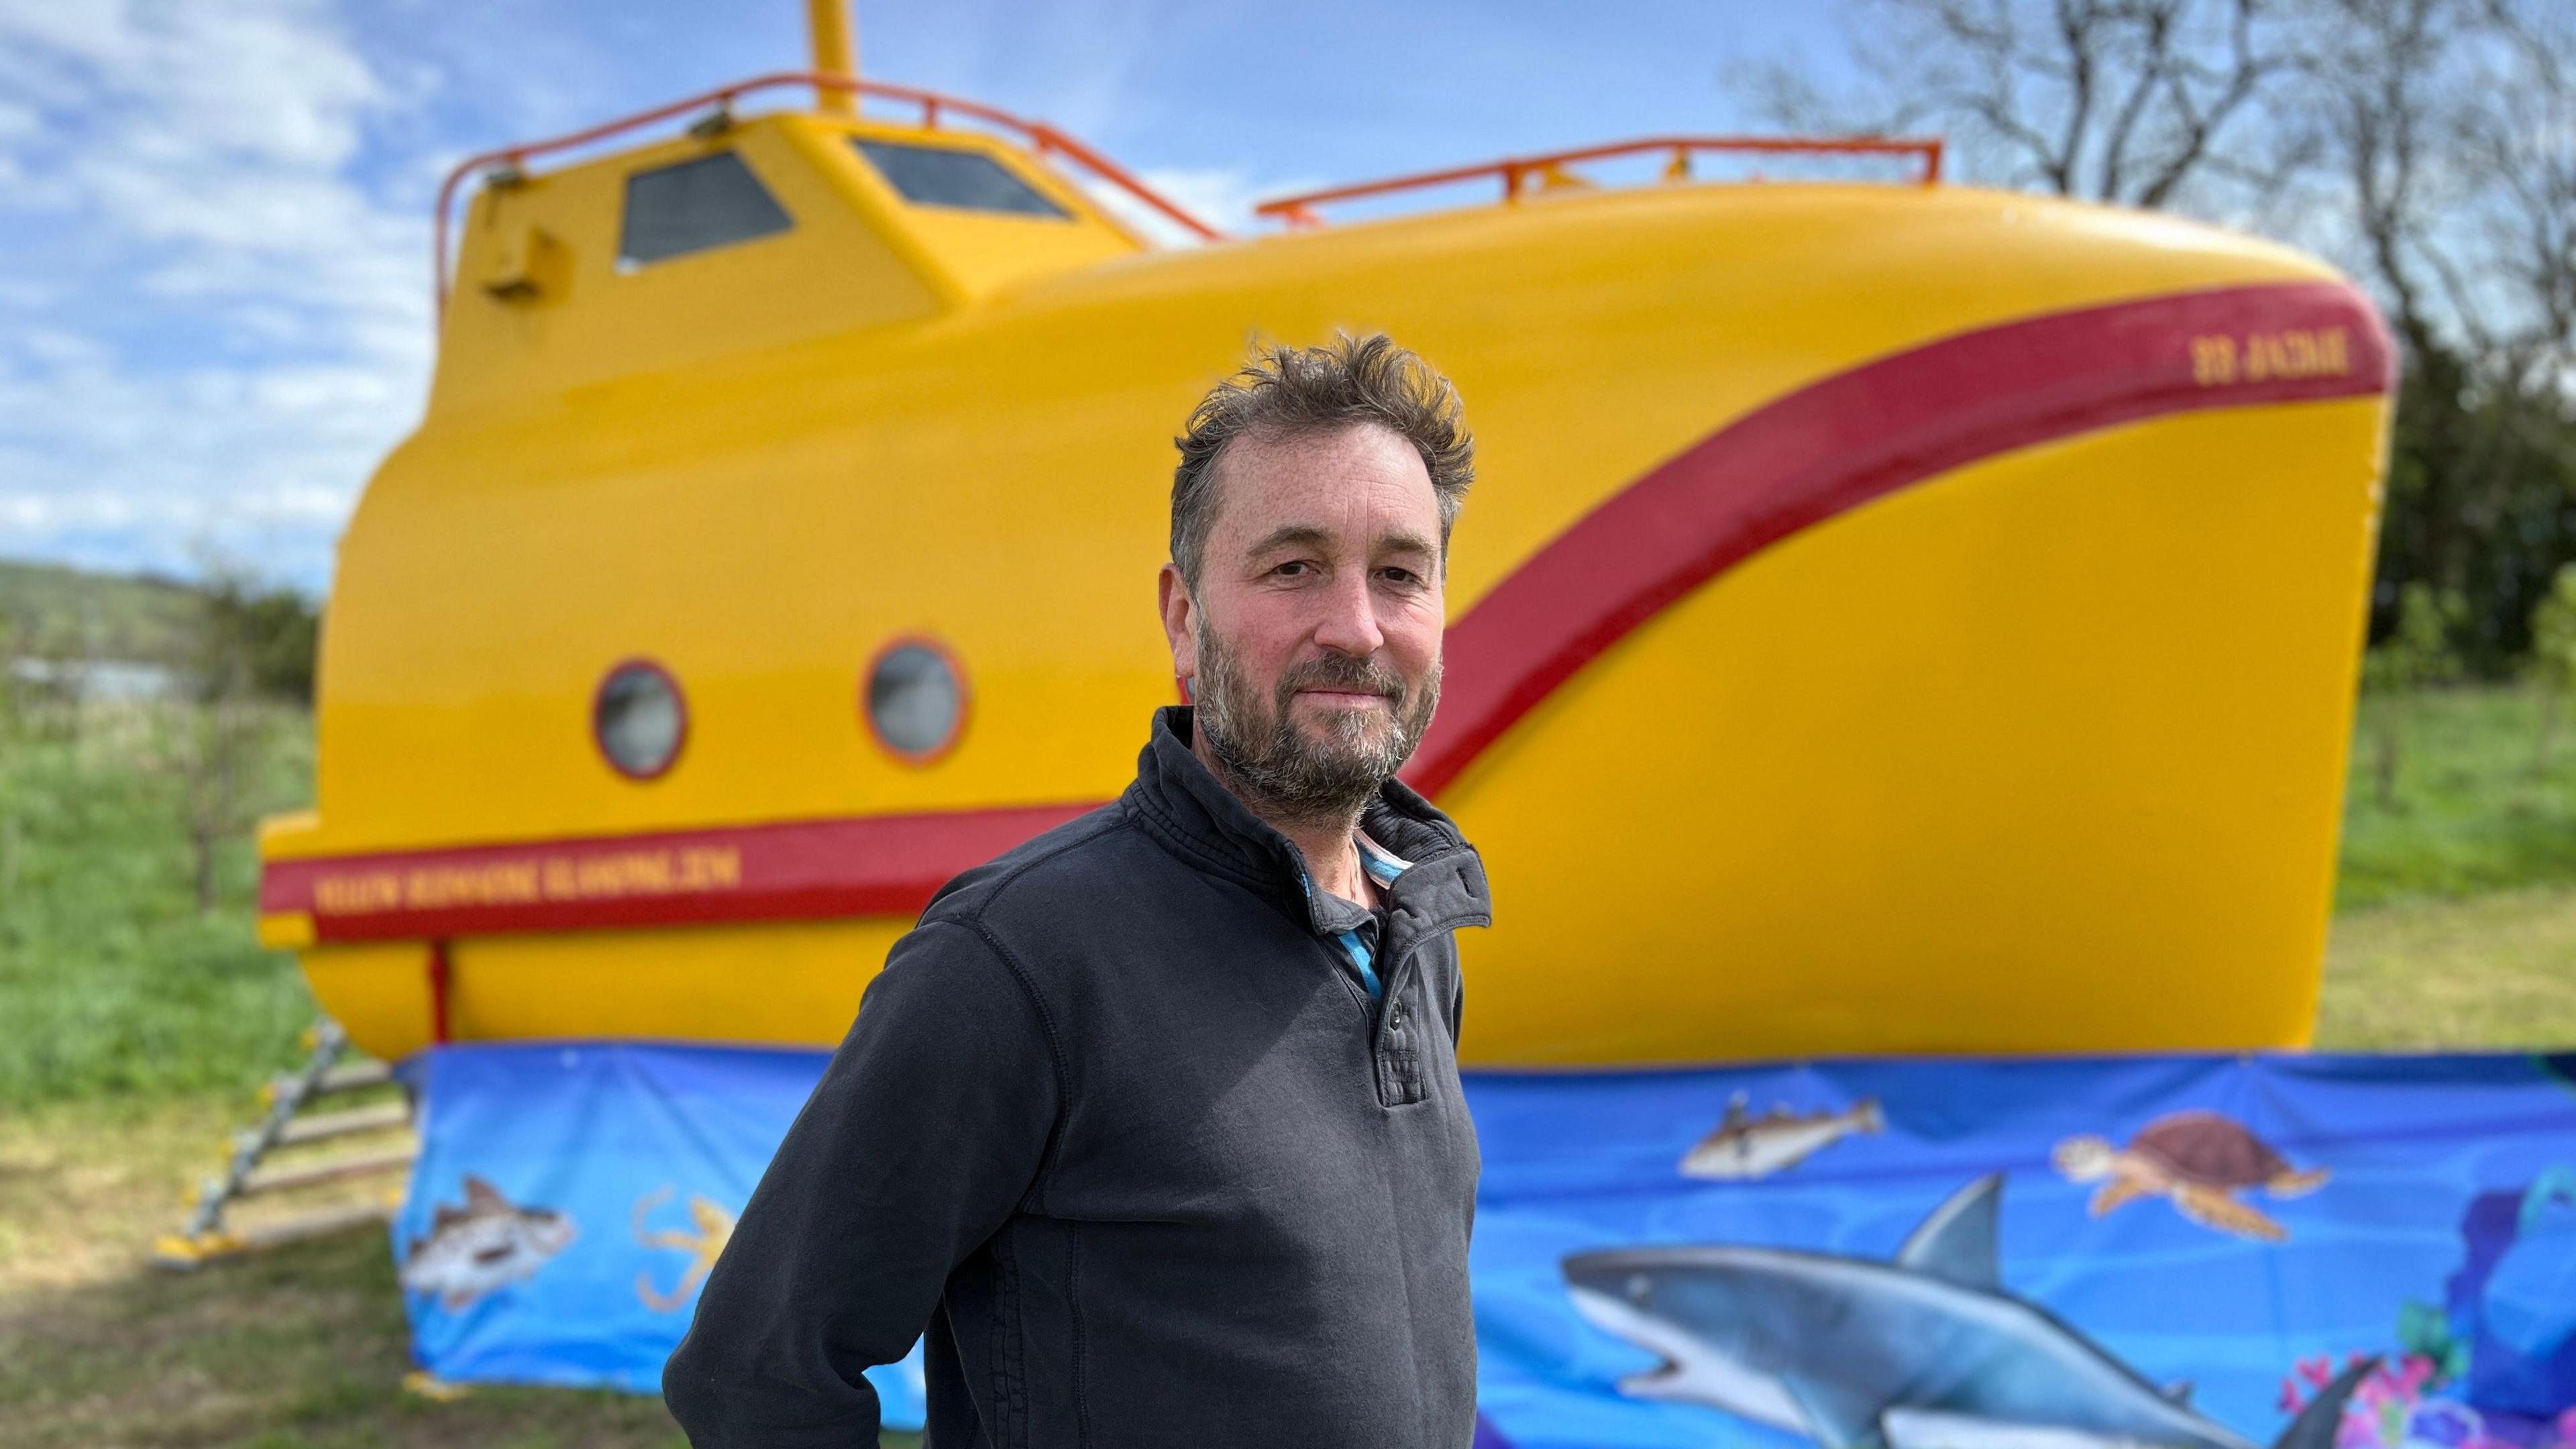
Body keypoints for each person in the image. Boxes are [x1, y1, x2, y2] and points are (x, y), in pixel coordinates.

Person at [662, 332, 1493, 1447]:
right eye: (1293, 566)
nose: (1355, 625)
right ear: (1185, 622)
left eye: (1400, 572)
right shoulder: (1018, 959)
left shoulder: (1417, 934)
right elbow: (756, 1373)